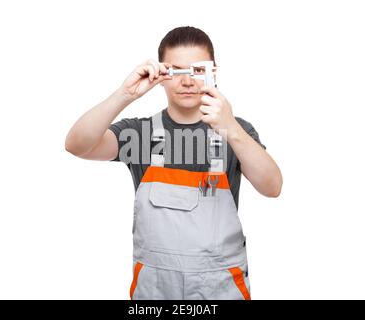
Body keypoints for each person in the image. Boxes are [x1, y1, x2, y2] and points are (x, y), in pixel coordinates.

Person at [65, 26, 283, 300]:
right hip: (155, 290)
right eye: (177, 71)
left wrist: (230, 126)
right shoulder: (139, 134)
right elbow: (76, 144)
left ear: (213, 72)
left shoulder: (237, 132)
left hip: (220, 287)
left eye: (198, 71)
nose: (188, 82)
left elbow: (272, 186)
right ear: (161, 76)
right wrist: (125, 94)